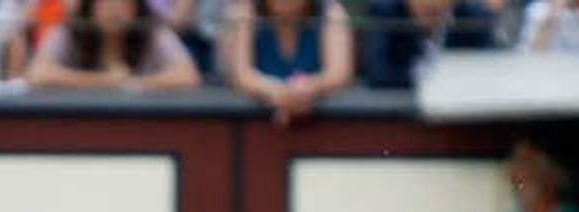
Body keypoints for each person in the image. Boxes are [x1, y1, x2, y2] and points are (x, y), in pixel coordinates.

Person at [223, 0, 354, 124]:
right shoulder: (242, 11)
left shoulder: (330, 12)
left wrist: (308, 88)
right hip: (254, 129)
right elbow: (241, 75)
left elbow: (338, 74)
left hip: (322, 131)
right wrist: (277, 93)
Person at [27, 0, 202, 89]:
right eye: (106, 1)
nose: (115, 9)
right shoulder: (71, 29)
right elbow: (37, 74)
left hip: (140, 124)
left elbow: (187, 76)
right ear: (90, 6)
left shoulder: (152, 30)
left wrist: (135, 83)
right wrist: (102, 81)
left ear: (136, 7)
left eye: (124, 2)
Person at [361, 0, 494, 89]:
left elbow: (490, 70)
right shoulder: (384, 11)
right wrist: (428, 80)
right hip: (402, 114)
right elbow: (378, 73)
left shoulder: (473, 17)